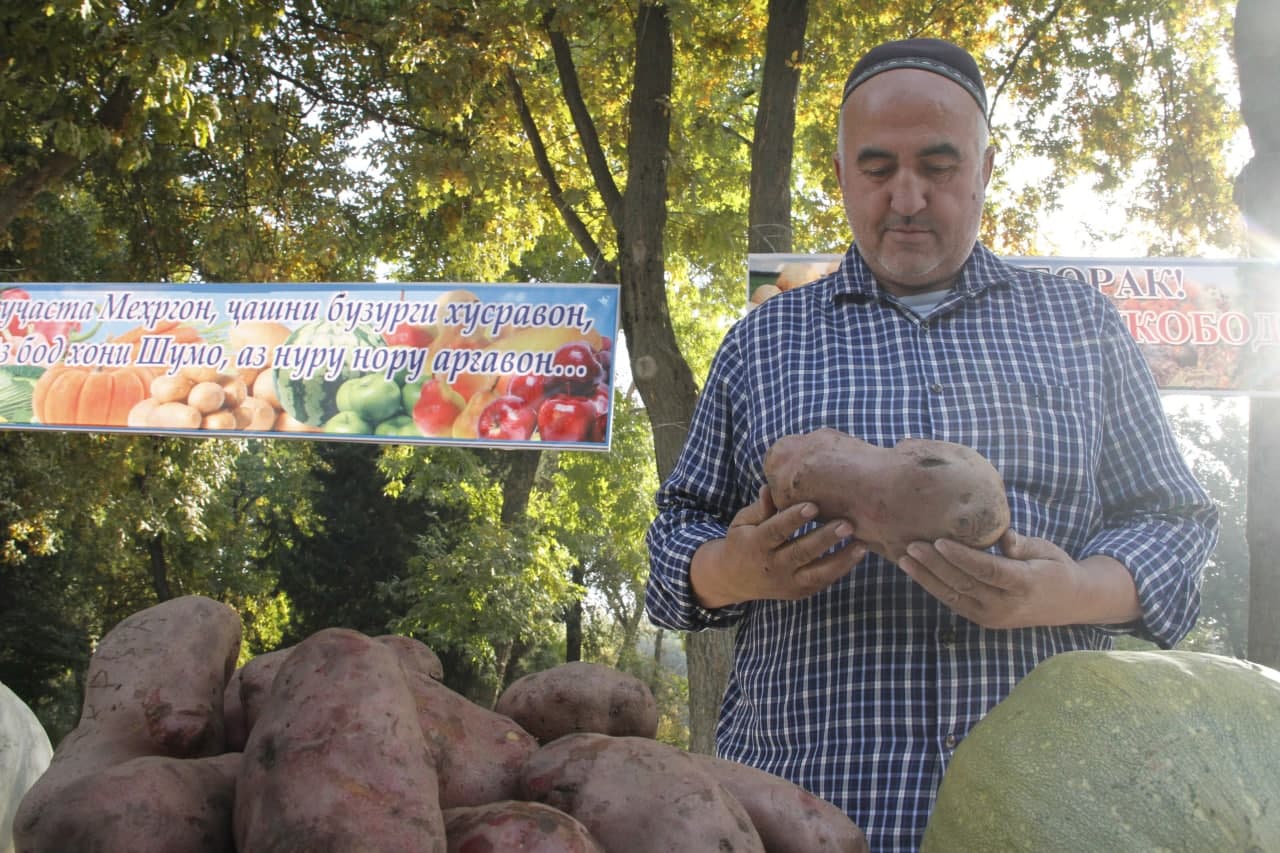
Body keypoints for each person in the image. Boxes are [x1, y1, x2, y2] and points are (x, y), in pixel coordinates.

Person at [645, 37, 1219, 853]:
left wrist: (1068, 590)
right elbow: (671, 547)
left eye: (939, 166)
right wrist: (735, 568)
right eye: (877, 168)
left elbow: (1175, 522)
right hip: (801, 809)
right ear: (840, 173)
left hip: (1055, 813)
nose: (906, 198)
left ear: (986, 166)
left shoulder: (1081, 327)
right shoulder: (762, 341)